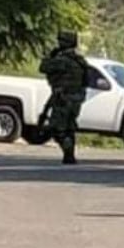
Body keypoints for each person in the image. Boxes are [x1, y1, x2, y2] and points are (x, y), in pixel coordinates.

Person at [38, 30, 89, 164]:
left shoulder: (62, 60)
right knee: (69, 127)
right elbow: (86, 81)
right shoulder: (80, 61)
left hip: (63, 98)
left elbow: (43, 67)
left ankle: (68, 151)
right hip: (76, 99)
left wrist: (50, 55)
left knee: (57, 129)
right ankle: (69, 156)